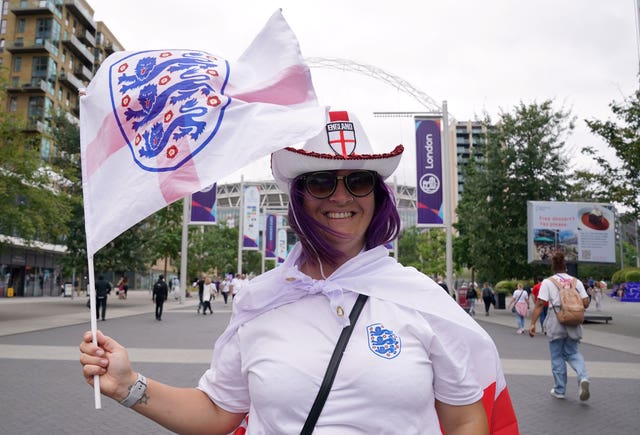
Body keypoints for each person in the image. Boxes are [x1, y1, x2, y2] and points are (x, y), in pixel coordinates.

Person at [80, 109, 518, 433]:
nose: (341, 197)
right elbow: (217, 412)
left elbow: (463, 419)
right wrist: (127, 385)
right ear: (299, 197)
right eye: (322, 181)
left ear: (377, 195)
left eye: (359, 180)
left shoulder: (420, 299)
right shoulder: (259, 300)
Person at [529, 251, 591, 401]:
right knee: (573, 353)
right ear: (566, 267)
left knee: (557, 356)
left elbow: (540, 303)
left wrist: (532, 324)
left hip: (556, 321)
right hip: (574, 321)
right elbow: (586, 302)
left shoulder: (548, 282)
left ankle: (560, 390)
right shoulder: (576, 281)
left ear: (553, 267)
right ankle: (583, 377)